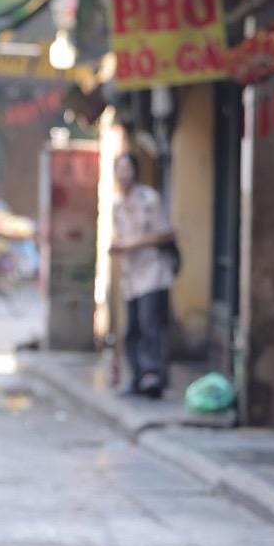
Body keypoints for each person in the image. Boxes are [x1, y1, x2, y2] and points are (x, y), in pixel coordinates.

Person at [110, 151, 175, 398]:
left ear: (135, 172)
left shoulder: (149, 199)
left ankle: (152, 375)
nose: (124, 175)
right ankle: (137, 377)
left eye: (127, 169)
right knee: (132, 329)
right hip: (131, 276)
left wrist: (132, 244)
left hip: (152, 272)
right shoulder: (118, 206)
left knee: (150, 325)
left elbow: (166, 233)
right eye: (120, 170)